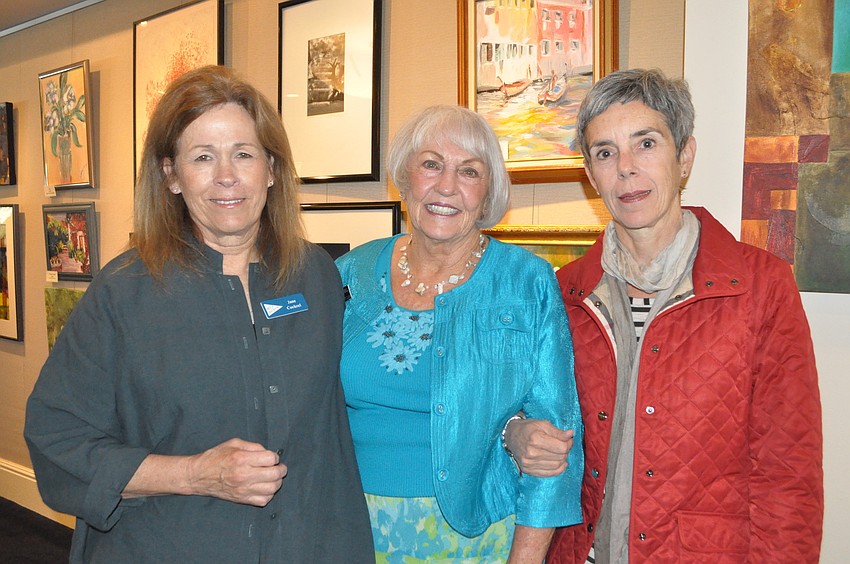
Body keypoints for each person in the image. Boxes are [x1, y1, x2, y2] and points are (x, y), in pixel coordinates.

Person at [24, 65, 373, 563]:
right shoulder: (125, 292)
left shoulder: (314, 274)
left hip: (305, 543)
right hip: (167, 546)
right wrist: (194, 474)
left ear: (272, 169)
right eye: (203, 157)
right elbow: (56, 439)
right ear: (171, 175)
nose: (226, 176)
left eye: (244, 154)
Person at [506, 68, 824, 563]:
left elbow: (789, 473)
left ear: (685, 157)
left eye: (646, 144)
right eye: (605, 153)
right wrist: (517, 431)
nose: (626, 168)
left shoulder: (762, 286)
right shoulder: (562, 291)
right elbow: (511, 404)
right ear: (591, 175)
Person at [335, 104, 584, 563]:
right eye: (431, 164)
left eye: (468, 172)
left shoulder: (525, 281)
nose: (446, 186)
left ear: (487, 190)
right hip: (347, 526)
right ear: (405, 174)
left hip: (473, 539)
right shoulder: (352, 271)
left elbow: (555, 445)